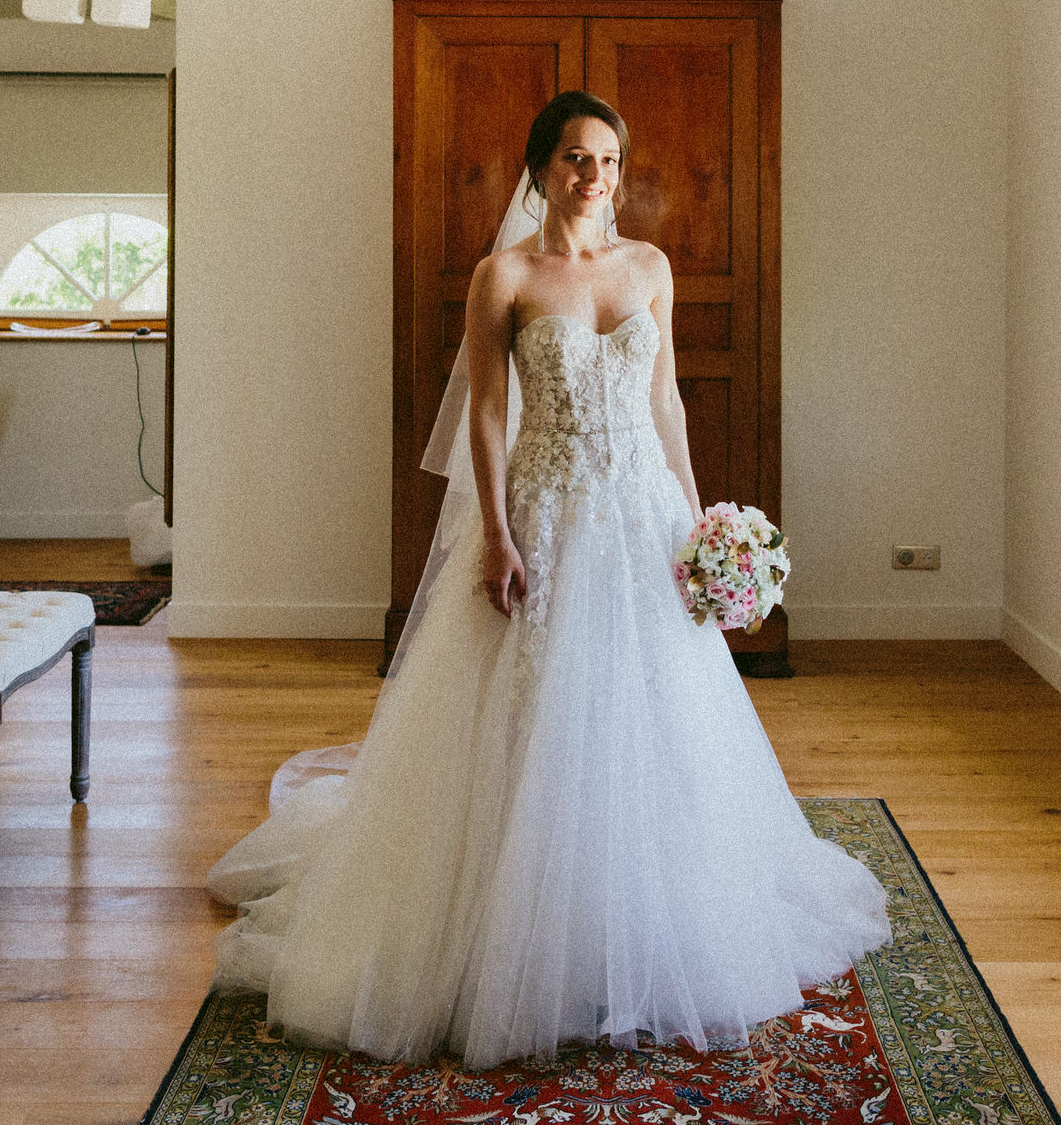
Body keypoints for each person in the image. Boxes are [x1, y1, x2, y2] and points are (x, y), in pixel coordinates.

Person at [205, 91, 889, 1069]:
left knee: (654, 713)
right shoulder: (505, 275)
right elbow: (487, 415)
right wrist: (495, 532)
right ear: (539, 169)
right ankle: (515, 931)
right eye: (575, 157)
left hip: (642, 508)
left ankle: (655, 914)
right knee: (538, 720)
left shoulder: (648, 267)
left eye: (608, 161)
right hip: (548, 508)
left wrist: (699, 524)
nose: (593, 177)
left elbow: (668, 403)